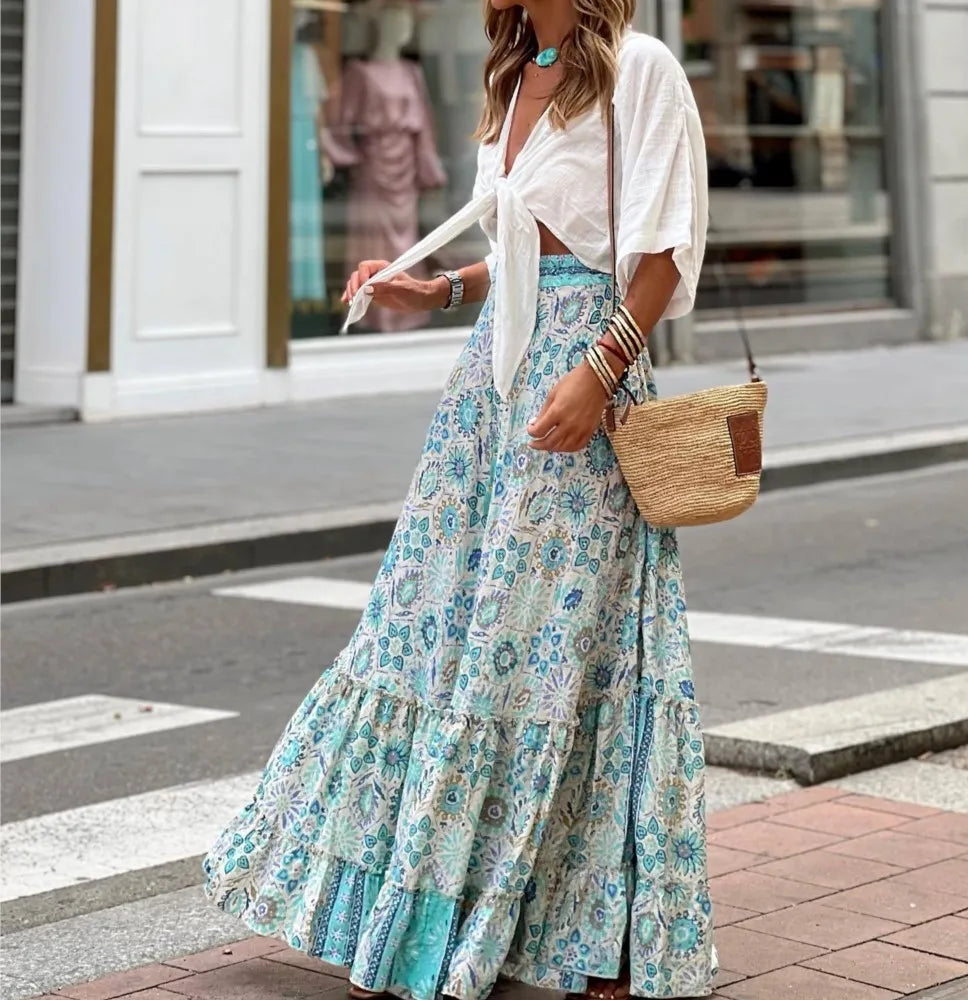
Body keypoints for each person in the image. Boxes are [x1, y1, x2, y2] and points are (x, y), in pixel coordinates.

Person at [203, 0, 717, 995]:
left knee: (571, 654)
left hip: (582, 380)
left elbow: (658, 249)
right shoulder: (513, 78)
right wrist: (434, 289)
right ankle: (460, 913)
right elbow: (524, 248)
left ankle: (597, 934)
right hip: (491, 389)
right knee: (437, 634)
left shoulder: (641, 69)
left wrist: (600, 372)